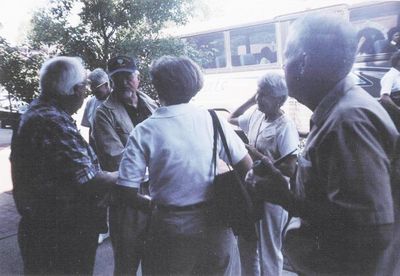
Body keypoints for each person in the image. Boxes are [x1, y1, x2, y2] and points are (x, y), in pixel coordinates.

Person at [254, 13, 400, 275]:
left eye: (285, 56)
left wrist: (285, 197)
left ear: (302, 63)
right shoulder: (340, 112)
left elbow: (366, 229)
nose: (282, 67)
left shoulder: (348, 121)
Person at [116, 55, 253, 275]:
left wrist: (151, 205)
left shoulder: (144, 131)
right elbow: (247, 167)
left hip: (170, 228)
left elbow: (126, 191)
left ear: (157, 85)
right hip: (216, 226)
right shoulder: (213, 119)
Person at [10, 56, 118, 275]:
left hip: (47, 227)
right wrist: (129, 173)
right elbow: (89, 180)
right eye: (84, 87)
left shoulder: (39, 111)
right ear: (74, 90)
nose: (86, 92)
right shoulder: (51, 121)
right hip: (61, 233)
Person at [92, 55, 158, 275]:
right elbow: (117, 159)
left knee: (157, 261)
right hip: (128, 197)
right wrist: (161, 162)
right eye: (117, 78)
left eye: (128, 76)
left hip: (158, 190)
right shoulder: (103, 113)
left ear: (137, 78)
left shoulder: (149, 102)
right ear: (110, 82)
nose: (123, 82)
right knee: (127, 264)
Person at [228, 72, 299, 276]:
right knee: (247, 243)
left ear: (279, 100)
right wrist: (252, 98)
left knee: (269, 248)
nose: (259, 98)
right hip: (251, 189)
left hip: (272, 195)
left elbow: (290, 167)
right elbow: (232, 117)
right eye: (259, 93)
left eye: (264, 94)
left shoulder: (285, 126)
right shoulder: (257, 115)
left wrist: (255, 154)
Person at [81, 68, 111, 152]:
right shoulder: (90, 103)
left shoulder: (118, 101)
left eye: (97, 91)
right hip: (96, 148)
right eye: (92, 90)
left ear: (106, 85)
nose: (94, 93)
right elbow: (90, 129)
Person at [380, 50, 400, 130]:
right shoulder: (390, 76)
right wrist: (398, 109)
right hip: (395, 116)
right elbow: (384, 98)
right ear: (398, 61)